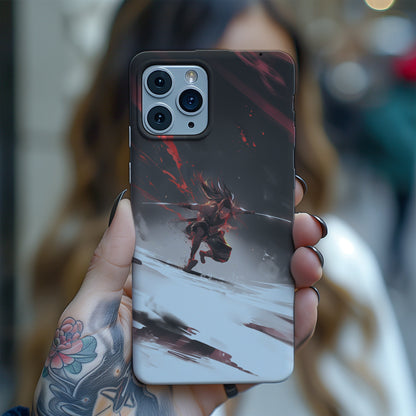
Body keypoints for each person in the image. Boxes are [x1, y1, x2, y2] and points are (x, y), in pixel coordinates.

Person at [9, 0, 415, 415]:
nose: (238, 130)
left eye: (261, 97)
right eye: (210, 97)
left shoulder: (340, 266)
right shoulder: (84, 300)